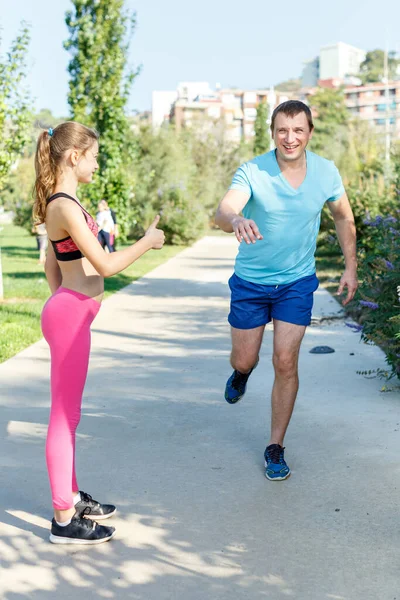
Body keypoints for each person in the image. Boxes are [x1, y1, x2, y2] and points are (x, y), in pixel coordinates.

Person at [33, 122, 165, 545]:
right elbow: (106, 265)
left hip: (72, 314)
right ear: (74, 156)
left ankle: (70, 496)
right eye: (93, 155)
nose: (97, 163)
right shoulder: (64, 205)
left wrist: (70, 302)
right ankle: (62, 518)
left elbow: (54, 265)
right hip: (70, 316)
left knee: (70, 415)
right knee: (63, 415)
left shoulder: (69, 203)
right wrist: (147, 242)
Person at [215, 100, 358, 482]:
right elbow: (223, 210)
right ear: (273, 133)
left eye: (298, 130)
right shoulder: (253, 170)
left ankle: (275, 446)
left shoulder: (326, 172)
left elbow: (343, 216)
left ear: (310, 132)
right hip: (250, 283)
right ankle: (241, 374)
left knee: (285, 361)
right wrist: (236, 217)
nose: (289, 137)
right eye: (282, 130)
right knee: (244, 359)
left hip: (296, 283)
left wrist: (350, 267)